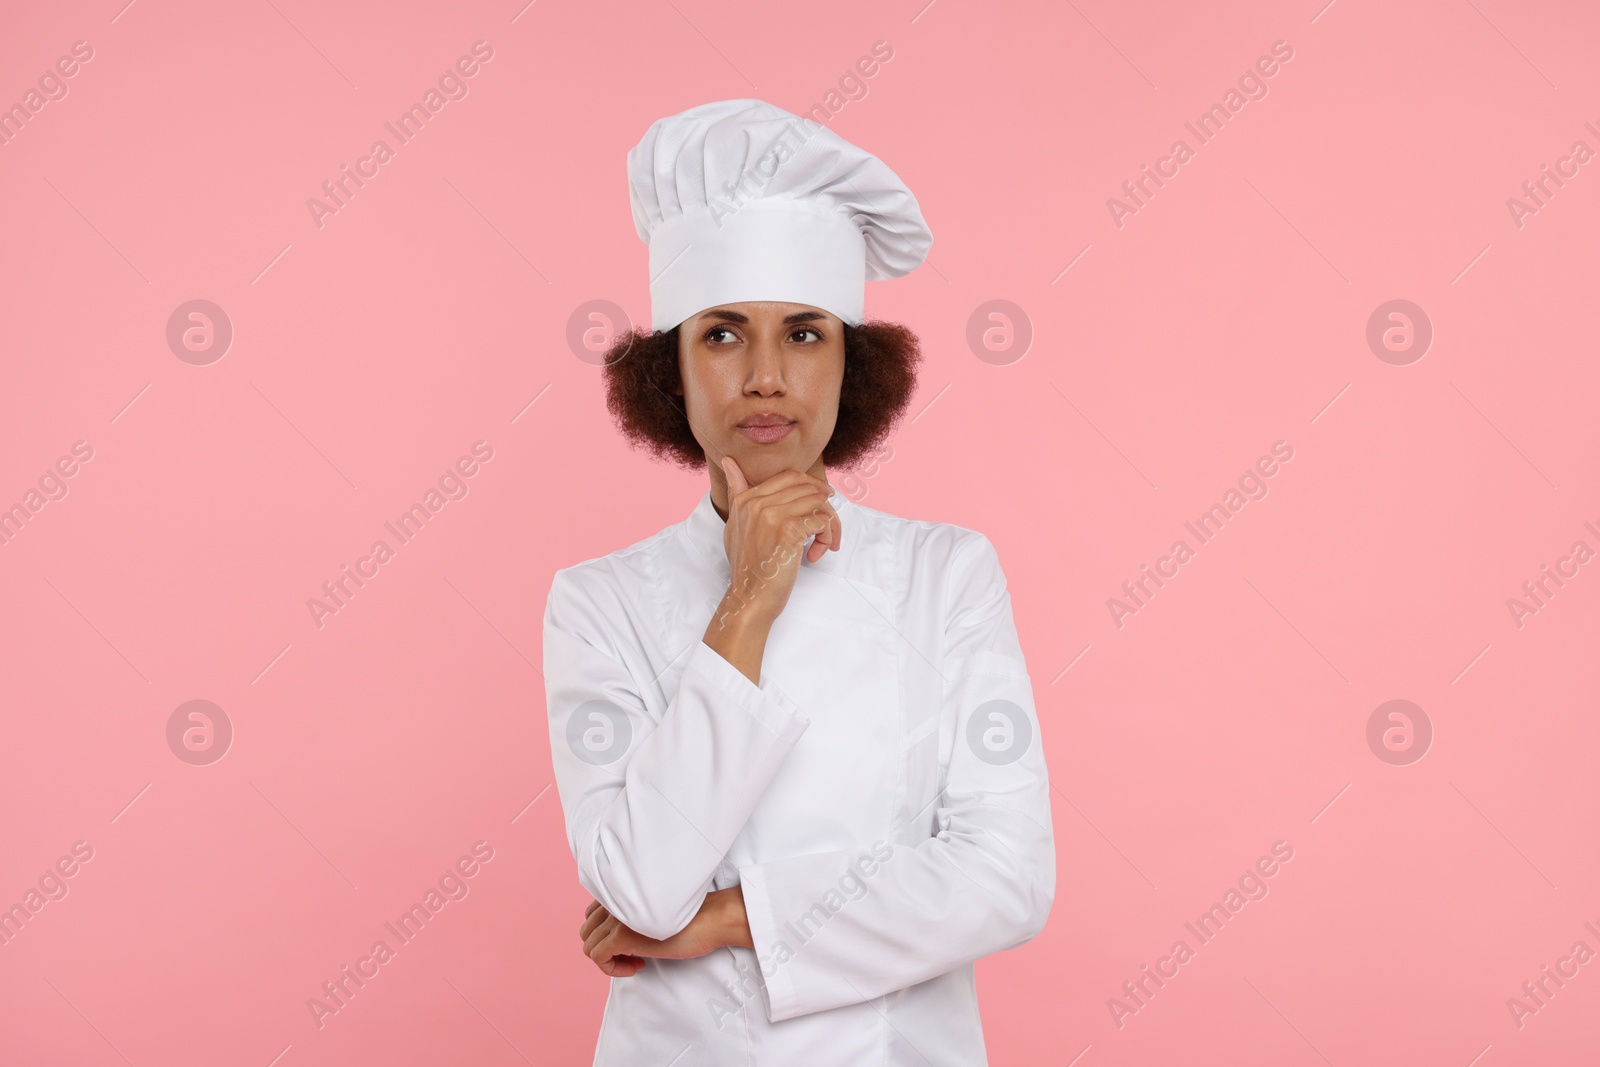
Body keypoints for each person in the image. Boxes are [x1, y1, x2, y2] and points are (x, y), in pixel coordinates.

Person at [543, 98, 1054, 1066]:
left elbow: (1007, 874)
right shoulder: (598, 599)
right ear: (672, 371)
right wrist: (749, 599)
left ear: (852, 364)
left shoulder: (946, 573)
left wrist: (733, 916)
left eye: (807, 333)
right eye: (723, 334)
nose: (767, 376)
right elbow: (643, 892)